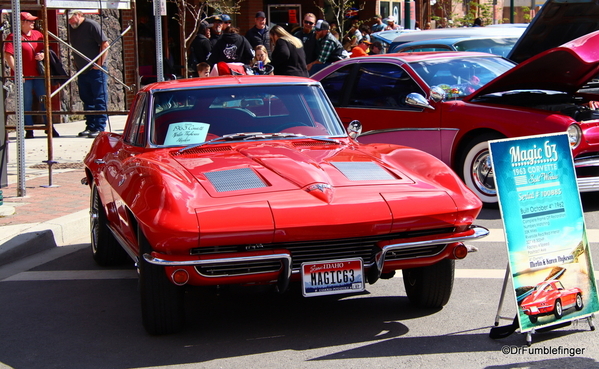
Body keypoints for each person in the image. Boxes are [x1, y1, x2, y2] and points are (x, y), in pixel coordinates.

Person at [3, 12, 58, 138]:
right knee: (26, 102)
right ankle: (28, 129)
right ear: (22, 22)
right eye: (30, 21)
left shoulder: (38, 34)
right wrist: (17, 71)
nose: (33, 23)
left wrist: (43, 55)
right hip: (24, 76)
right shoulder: (13, 36)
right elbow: (8, 55)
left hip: (38, 74)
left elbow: (45, 49)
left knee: (44, 100)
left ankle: (49, 126)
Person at [68, 9, 109, 138]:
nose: (69, 21)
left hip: (95, 69)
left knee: (99, 98)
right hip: (82, 69)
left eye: (71, 18)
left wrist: (99, 64)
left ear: (79, 15)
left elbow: (105, 44)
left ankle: (99, 127)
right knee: (86, 98)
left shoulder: (91, 25)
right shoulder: (72, 28)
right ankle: (90, 125)